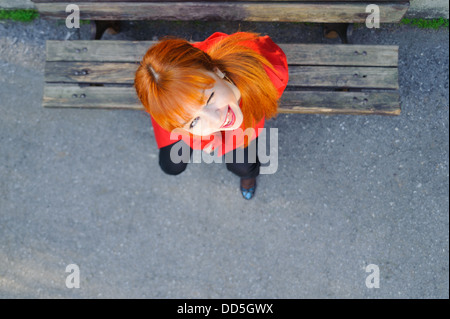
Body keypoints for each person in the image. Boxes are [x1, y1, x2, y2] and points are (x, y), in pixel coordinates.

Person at [134, 31, 289, 200]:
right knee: (171, 165)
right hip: (177, 110)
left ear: (217, 71)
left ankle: (248, 178)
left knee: (243, 166)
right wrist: (203, 137)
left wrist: (208, 135)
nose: (216, 120)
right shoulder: (176, 111)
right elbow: (185, 123)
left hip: (236, 105)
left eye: (209, 98)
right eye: (193, 122)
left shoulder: (268, 72)